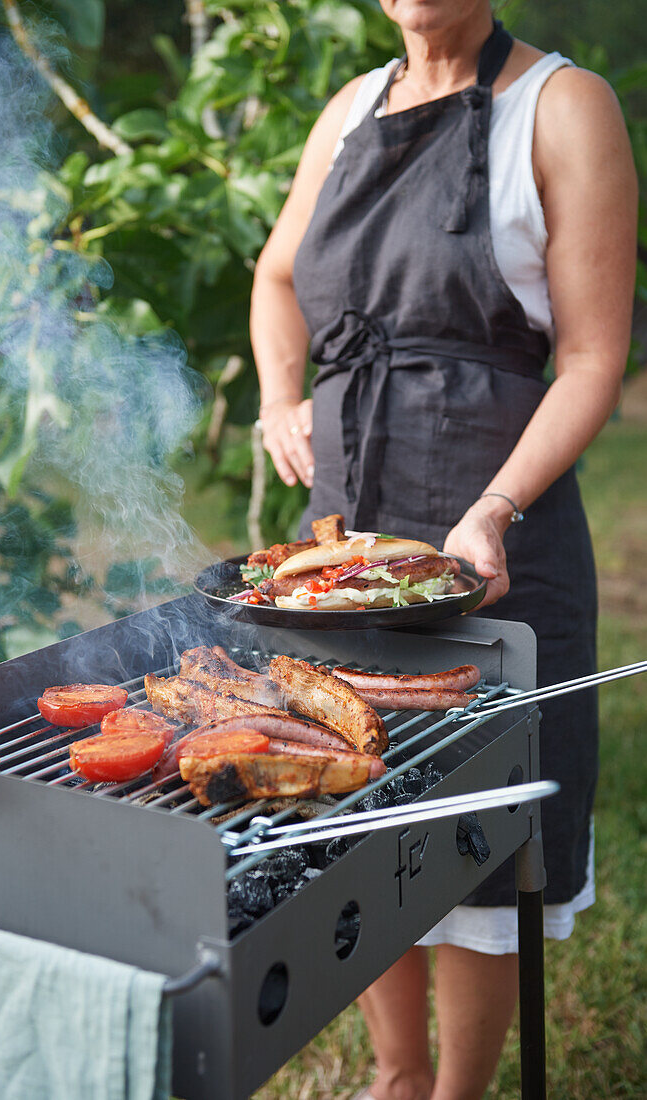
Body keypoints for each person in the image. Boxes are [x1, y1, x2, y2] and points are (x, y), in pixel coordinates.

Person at [249, 2, 637, 1098]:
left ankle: (455, 1089)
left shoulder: (562, 107)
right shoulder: (348, 110)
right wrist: (283, 393)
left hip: (492, 519)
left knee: (477, 812)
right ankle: (396, 1070)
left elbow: (592, 357)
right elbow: (278, 277)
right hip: (344, 522)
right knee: (352, 792)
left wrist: (493, 505)